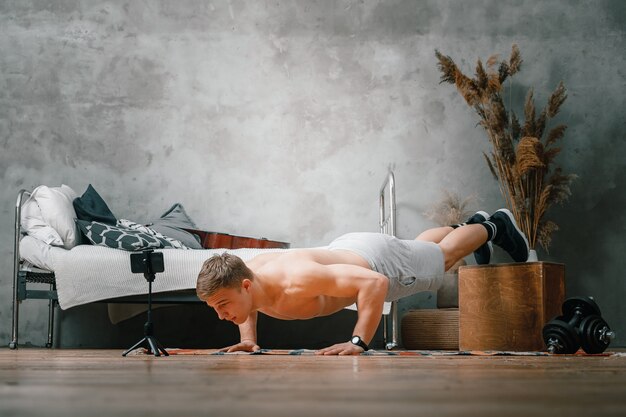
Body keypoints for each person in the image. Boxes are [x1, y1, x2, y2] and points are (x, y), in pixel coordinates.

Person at [196, 208, 529, 355]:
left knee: (440, 260)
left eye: (222, 305)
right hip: (349, 251)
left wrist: (358, 342)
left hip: (376, 262)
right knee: (423, 251)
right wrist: (249, 338)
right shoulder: (247, 275)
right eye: (214, 308)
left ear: (246, 286)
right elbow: (244, 305)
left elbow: (375, 284)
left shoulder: (297, 278)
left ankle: (496, 225)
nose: (220, 315)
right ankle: (470, 227)